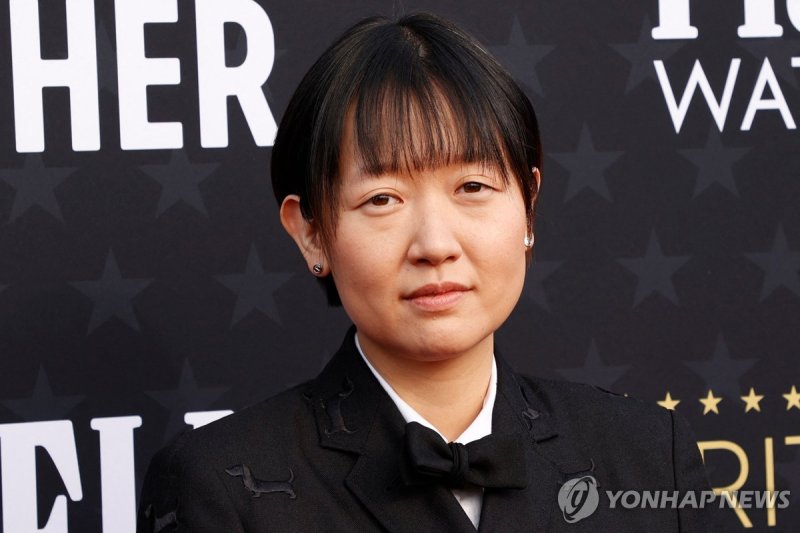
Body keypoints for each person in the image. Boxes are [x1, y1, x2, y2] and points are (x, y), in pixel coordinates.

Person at [137, 12, 720, 532]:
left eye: (472, 187)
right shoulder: (219, 488)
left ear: (529, 208)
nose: (435, 245)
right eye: (382, 199)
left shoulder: (647, 452)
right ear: (311, 231)